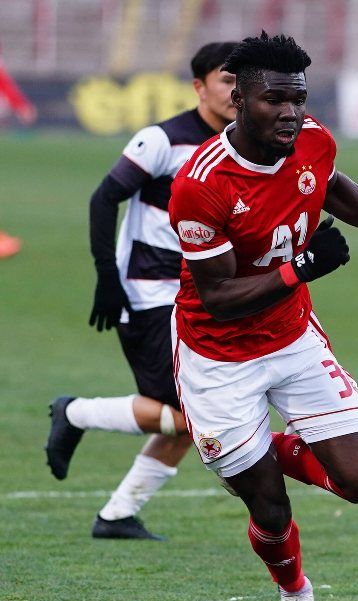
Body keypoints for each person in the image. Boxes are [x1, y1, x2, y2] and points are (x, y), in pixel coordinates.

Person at [168, 32, 358, 601]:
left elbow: (328, 183)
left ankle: (260, 449)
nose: (290, 112)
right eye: (274, 100)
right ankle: (295, 593)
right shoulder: (201, 184)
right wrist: (299, 268)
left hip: (292, 337)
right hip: (218, 355)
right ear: (240, 100)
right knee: (270, 506)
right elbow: (218, 299)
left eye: (298, 98)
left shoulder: (311, 139)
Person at [43, 42, 239, 540]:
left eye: (243, 81)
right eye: (226, 80)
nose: (236, 90)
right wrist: (107, 277)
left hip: (204, 296)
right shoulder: (162, 139)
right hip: (151, 293)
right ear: (199, 87)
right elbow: (104, 197)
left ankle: (117, 516)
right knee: (189, 414)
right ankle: (75, 412)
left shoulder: (242, 146)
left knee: (193, 414)